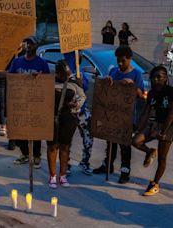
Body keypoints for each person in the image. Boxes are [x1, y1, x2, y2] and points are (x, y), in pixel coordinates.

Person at [93, 45, 144, 184]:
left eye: (123, 61)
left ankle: (125, 170)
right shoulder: (114, 71)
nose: (120, 64)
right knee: (110, 141)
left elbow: (141, 95)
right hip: (111, 113)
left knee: (124, 145)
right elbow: (106, 88)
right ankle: (108, 165)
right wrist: (107, 81)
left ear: (129, 59)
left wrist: (133, 85)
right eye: (118, 61)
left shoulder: (136, 74)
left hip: (126, 117)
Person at [8, 36, 50, 168]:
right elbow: (10, 78)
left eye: (31, 44)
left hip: (35, 103)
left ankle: (36, 155)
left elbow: (48, 82)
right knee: (20, 130)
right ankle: (25, 154)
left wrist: (39, 78)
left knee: (35, 130)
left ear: (36, 46)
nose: (28, 46)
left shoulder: (42, 63)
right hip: (20, 102)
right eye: (27, 43)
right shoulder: (17, 62)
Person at [132, 66, 173, 196]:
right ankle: (150, 151)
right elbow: (147, 112)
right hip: (155, 123)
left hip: (169, 126)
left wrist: (163, 132)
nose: (155, 80)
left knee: (162, 157)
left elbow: (172, 114)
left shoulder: (170, 92)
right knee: (136, 141)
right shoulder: (151, 93)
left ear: (165, 78)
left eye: (159, 77)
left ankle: (155, 184)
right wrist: (139, 128)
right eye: (153, 77)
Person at [47, 60, 85, 188]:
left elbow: (82, 97)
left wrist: (76, 104)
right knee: (52, 146)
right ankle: (52, 175)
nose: (67, 77)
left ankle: (62, 175)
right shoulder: (50, 82)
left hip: (68, 117)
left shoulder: (74, 83)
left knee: (65, 146)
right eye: (65, 75)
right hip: (52, 117)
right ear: (57, 73)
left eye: (68, 74)